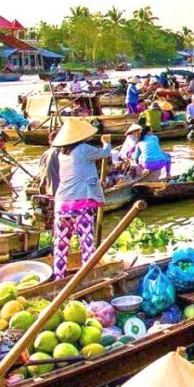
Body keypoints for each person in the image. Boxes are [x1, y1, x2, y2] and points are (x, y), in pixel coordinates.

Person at [51, 119, 110, 279]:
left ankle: (59, 277)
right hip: (80, 206)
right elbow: (105, 154)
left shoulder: (62, 154)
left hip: (61, 206)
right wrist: (107, 142)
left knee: (61, 245)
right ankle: (87, 276)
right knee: (87, 244)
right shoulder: (84, 149)